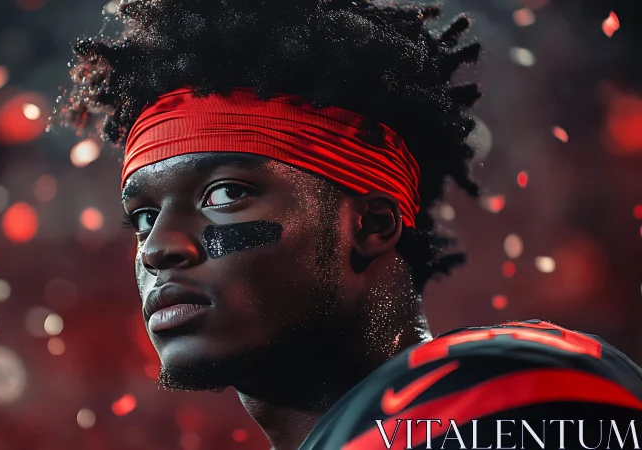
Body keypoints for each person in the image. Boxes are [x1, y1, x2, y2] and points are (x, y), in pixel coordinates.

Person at [53, 0, 642, 448]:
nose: (158, 247)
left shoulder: (507, 391)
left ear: (372, 225)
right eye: (143, 217)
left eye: (226, 194)